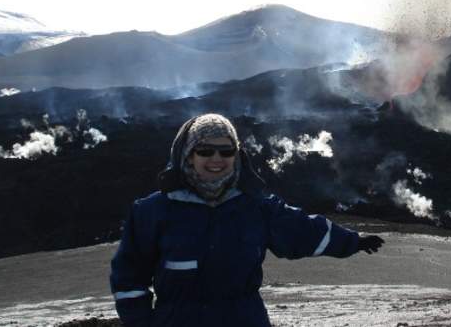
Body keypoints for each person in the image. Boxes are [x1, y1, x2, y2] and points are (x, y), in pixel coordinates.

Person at [110, 113, 384, 326]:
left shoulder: (255, 207)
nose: (216, 158)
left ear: (236, 155)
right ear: (188, 155)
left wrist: (353, 241)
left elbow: (302, 230)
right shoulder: (153, 211)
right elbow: (128, 276)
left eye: (226, 151)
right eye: (205, 150)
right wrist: (143, 323)